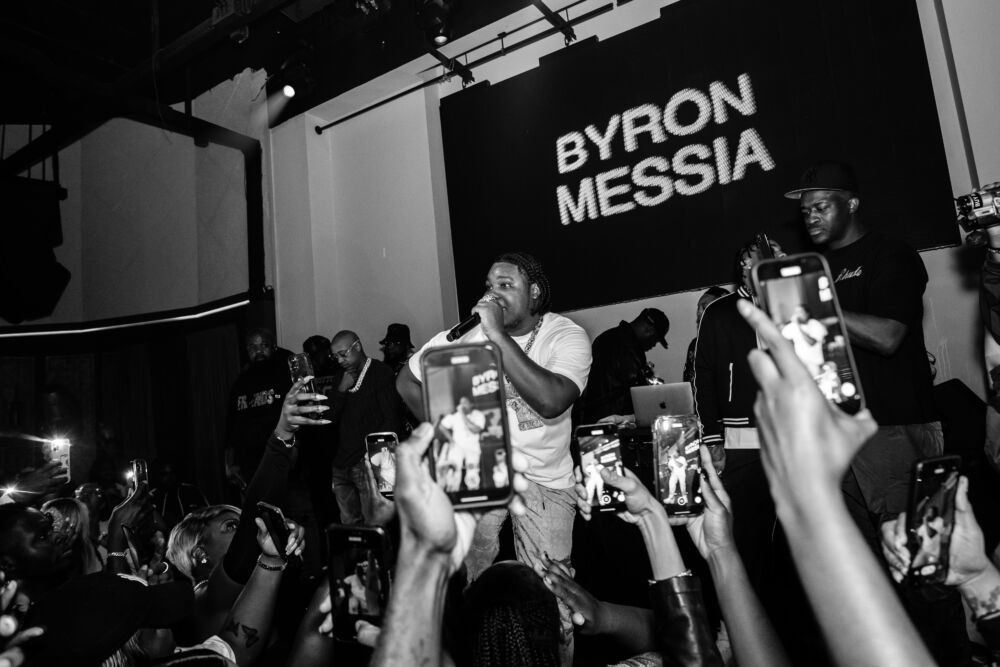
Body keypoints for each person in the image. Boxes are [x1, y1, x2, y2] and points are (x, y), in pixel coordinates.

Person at [396, 251, 592, 657]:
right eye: (489, 286)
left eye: (506, 285)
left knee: (554, 596)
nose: (493, 294)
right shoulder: (465, 336)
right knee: (469, 583)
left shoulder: (565, 335)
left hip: (545, 480)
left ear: (533, 292)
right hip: (480, 471)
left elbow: (552, 400)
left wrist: (497, 336)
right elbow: (407, 382)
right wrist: (448, 432)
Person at [738, 297, 936, 667]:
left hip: (890, 434)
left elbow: (889, 336)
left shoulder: (885, 266)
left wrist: (808, 495)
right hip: (841, 437)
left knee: (919, 571)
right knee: (869, 565)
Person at [785, 161, 942, 532]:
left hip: (892, 426)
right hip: (836, 430)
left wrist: (814, 305)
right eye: (805, 212)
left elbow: (887, 336)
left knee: (911, 544)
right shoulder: (815, 268)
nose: (811, 217)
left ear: (851, 204)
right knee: (859, 551)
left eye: (821, 207)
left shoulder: (890, 254)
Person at [327, 330, 405, 525]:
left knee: (375, 525)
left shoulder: (381, 373)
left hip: (368, 464)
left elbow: (391, 420)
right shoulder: (341, 377)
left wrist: (376, 460)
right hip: (342, 463)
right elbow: (330, 417)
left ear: (358, 346)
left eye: (343, 354)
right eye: (336, 356)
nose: (340, 360)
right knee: (350, 528)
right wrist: (341, 389)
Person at [224, 328, 292, 494]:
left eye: (264, 345)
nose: (259, 351)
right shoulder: (240, 383)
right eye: (253, 347)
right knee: (254, 508)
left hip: (282, 462)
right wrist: (230, 463)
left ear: (273, 347)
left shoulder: (285, 375)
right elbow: (231, 425)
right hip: (249, 467)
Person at [577, 307, 670, 424]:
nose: (654, 344)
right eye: (655, 339)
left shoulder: (606, 337)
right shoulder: (630, 348)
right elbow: (634, 389)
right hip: (612, 422)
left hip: (591, 418)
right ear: (649, 330)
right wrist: (653, 388)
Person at [683, 286, 729, 384]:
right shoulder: (695, 344)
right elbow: (689, 380)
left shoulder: (734, 341)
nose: (699, 312)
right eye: (698, 308)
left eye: (704, 307)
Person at [437, 396, 486, 477]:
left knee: (472, 474)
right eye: (461, 403)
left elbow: (475, 430)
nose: (462, 405)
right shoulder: (455, 416)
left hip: (472, 448)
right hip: (457, 447)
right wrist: (451, 440)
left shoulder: (478, 415)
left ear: (471, 404)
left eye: (465, 402)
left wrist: (462, 414)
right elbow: (441, 426)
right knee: (453, 472)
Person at [780, 306, 828, 377]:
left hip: (815, 364)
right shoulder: (792, 326)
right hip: (801, 365)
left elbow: (811, 342)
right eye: (796, 312)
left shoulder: (815, 324)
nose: (797, 315)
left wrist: (798, 326)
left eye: (800, 312)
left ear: (807, 313)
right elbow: (782, 339)